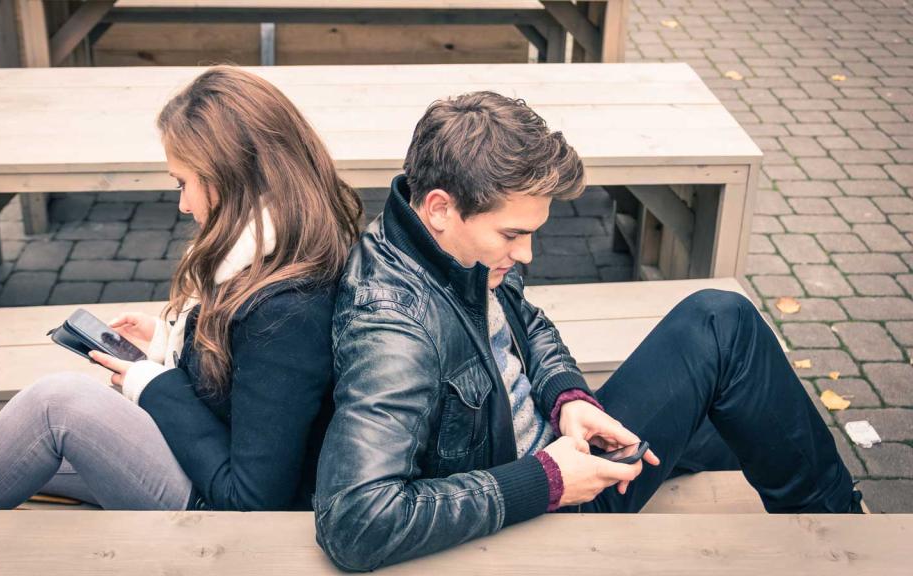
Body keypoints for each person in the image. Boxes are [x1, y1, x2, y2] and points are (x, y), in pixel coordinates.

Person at [313, 91, 861, 572]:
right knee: (723, 324)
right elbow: (355, 522)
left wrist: (567, 398)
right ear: (439, 207)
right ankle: (848, 537)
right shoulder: (391, 326)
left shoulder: (453, 249)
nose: (526, 253)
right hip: (544, 508)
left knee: (752, 414)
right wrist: (546, 479)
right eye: (513, 233)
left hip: (561, 452)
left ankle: (834, 531)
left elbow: (527, 325)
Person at [0, 65, 362, 513]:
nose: (182, 205)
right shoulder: (279, 253)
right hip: (209, 467)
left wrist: (154, 386)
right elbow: (252, 385)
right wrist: (169, 342)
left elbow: (252, 500)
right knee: (14, 449)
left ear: (230, 181)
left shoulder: (287, 311)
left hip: (225, 516)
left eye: (184, 183)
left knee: (57, 407)